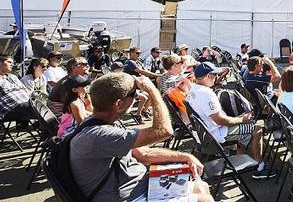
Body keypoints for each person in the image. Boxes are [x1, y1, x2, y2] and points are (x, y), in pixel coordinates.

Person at [69, 73, 213, 201]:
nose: (137, 96)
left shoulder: (100, 124)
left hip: (137, 187)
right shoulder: (100, 135)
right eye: (134, 94)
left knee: (202, 186)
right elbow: (164, 130)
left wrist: (185, 157)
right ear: (118, 104)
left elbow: (144, 153)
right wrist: (152, 90)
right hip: (128, 196)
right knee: (204, 199)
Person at [187, 62, 276, 179]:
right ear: (208, 76)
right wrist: (242, 119)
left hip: (204, 133)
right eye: (215, 75)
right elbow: (221, 120)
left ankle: (240, 160)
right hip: (215, 134)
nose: (216, 78)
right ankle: (260, 167)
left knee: (243, 125)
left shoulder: (194, 89)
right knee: (257, 129)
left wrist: (239, 119)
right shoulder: (206, 94)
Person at [123, 47, 159, 124]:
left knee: (152, 95)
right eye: (137, 53)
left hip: (137, 87)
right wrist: (157, 75)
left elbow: (146, 71)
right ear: (131, 53)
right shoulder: (130, 62)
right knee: (144, 97)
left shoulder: (138, 62)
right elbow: (142, 72)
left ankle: (143, 111)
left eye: (140, 53)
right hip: (130, 89)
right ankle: (138, 115)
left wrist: (157, 75)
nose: (139, 55)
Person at [0, 54, 35, 124]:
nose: (12, 64)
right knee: (41, 108)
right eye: (9, 62)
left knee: (49, 105)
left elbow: (26, 90)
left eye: (12, 63)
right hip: (10, 109)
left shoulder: (13, 77)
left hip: (26, 104)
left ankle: (52, 130)